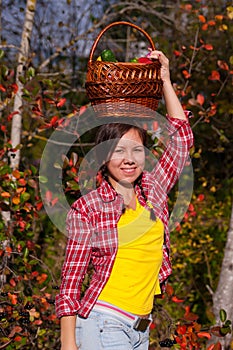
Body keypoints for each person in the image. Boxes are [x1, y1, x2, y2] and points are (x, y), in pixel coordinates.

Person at [55, 50, 194, 350]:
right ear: (103, 158)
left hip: (141, 330)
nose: (129, 159)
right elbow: (71, 281)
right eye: (118, 150)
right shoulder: (88, 208)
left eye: (136, 150)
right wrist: (69, 344)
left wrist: (165, 80)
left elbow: (182, 140)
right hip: (104, 324)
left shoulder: (154, 189)